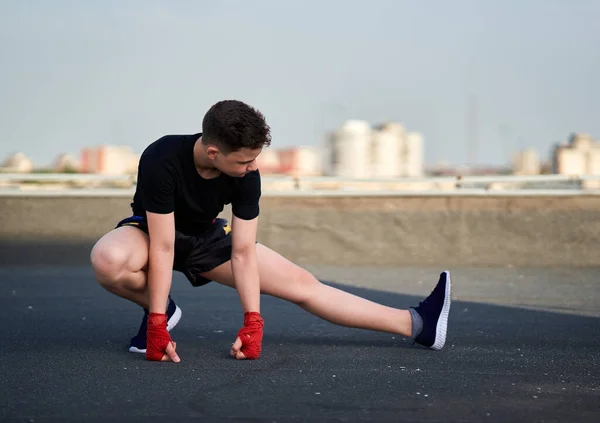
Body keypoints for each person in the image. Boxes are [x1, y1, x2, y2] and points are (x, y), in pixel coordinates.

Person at [90, 100, 452, 363]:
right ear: (213, 152)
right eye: (244, 161)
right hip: (152, 234)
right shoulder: (162, 157)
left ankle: (417, 324)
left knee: (303, 285)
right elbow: (164, 244)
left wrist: (253, 321)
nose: (253, 167)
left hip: (207, 235)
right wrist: (156, 322)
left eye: (256, 158)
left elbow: (243, 251)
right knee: (109, 259)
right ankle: (162, 310)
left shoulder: (247, 175)